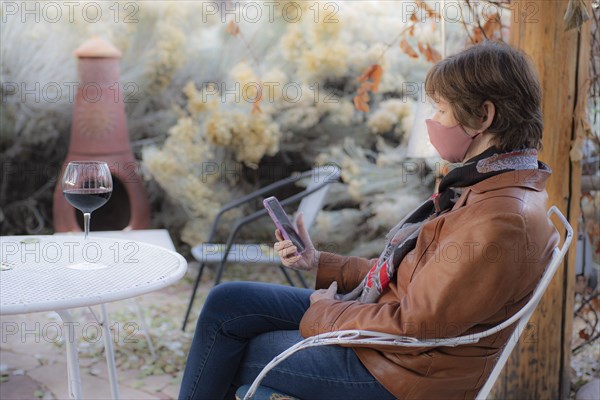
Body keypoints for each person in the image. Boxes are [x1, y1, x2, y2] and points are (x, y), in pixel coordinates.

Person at [178, 40, 559, 400]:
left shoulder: (501, 219)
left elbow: (415, 324)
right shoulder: (485, 185)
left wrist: (325, 311)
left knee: (235, 349)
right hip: (387, 337)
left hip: (401, 372)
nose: (433, 120)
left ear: (483, 115)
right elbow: (412, 280)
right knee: (228, 301)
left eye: (441, 109)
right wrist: (319, 263)